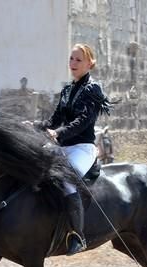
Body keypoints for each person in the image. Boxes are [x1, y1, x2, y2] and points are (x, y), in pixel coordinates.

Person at [32, 43, 111, 255]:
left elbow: (83, 121)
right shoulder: (67, 89)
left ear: (90, 63)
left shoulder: (93, 89)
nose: (73, 63)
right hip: (62, 148)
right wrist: (34, 127)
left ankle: (77, 235)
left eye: (79, 60)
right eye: (71, 59)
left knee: (66, 181)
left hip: (82, 149)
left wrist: (58, 133)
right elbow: (54, 119)